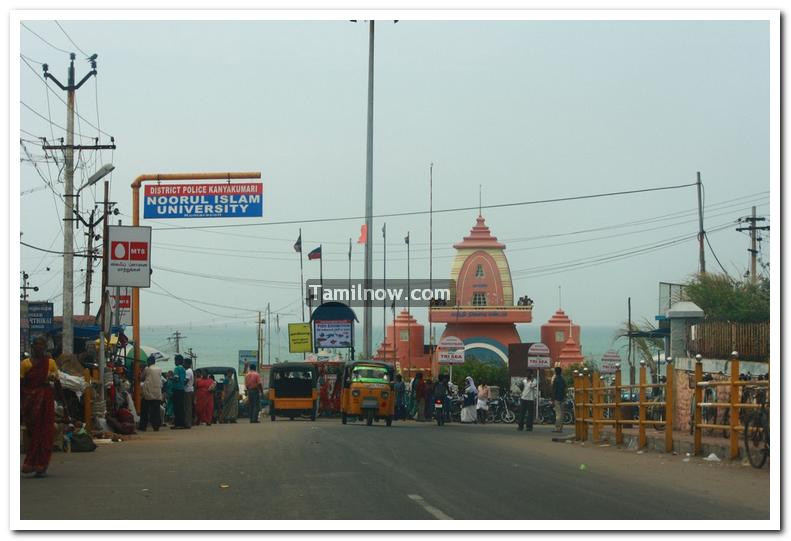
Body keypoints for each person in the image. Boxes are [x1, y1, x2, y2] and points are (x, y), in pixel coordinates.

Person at [21, 335, 64, 477]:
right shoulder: (25, 364)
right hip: (30, 402)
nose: (39, 347)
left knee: (45, 432)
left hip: (45, 400)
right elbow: (21, 384)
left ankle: (41, 465)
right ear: (32, 347)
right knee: (32, 432)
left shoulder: (50, 363)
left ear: (45, 348)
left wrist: (65, 408)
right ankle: (31, 462)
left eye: (42, 345)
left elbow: (57, 382)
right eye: (37, 344)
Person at [138, 355, 163, 431]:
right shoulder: (159, 369)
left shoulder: (147, 369)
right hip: (157, 393)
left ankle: (143, 426)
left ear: (149, 362)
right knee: (156, 411)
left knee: (144, 410)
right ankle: (156, 426)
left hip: (148, 393)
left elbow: (141, 378)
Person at [171, 356, 187, 429]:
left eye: (175, 360)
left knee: (176, 407)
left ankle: (177, 424)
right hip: (182, 389)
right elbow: (184, 380)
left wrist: (171, 378)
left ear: (178, 361)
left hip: (176, 389)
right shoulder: (183, 369)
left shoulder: (177, 368)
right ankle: (182, 423)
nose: (174, 362)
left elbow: (176, 378)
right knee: (181, 407)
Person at [551, 365, 567, 433]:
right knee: (562, 414)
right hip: (563, 398)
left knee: (558, 414)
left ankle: (557, 428)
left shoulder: (556, 379)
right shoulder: (563, 380)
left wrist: (552, 399)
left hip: (557, 399)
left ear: (555, 372)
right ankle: (561, 428)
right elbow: (565, 389)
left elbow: (554, 390)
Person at [183, 358, 195, 428]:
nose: (183, 364)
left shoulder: (188, 371)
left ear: (187, 364)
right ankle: (189, 422)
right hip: (190, 390)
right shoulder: (190, 371)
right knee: (189, 407)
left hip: (187, 390)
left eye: (184, 363)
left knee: (187, 408)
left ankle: (188, 423)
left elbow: (186, 381)